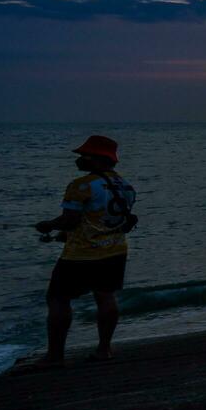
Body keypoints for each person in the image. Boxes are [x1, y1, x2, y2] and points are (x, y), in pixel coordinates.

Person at [33, 135, 138, 365]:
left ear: (98, 159)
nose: (79, 159)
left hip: (80, 256)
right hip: (115, 252)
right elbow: (101, 221)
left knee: (57, 298)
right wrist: (64, 233)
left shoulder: (80, 186)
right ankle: (104, 350)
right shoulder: (125, 186)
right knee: (106, 296)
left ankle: (55, 356)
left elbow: (70, 220)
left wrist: (48, 225)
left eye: (84, 155)